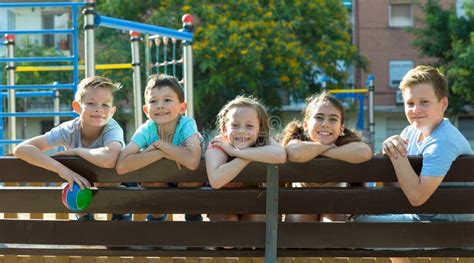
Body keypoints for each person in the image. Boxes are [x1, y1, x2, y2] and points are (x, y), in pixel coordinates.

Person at [353, 65, 473, 263]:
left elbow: (416, 196)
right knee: (360, 218)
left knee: (354, 224)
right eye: (410, 103)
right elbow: (401, 186)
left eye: (424, 102)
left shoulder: (442, 141)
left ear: (443, 104)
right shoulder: (411, 132)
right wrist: (393, 148)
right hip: (426, 219)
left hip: (449, 229)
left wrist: (396, 155)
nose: (415, 110)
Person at [14, 76, 125, 221]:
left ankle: (119, 216)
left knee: (105, 180)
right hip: (82, 186)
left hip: (112, 185)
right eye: (91, 103)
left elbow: (110, 158)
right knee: (73, 186)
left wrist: (76, 152)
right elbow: (21, 149)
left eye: (105, 105)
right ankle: (85, 220)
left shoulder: (112, 128)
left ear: (112, 111)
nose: (99, 109)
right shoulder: (68, 130)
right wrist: (63, 171)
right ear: (77, 107)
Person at [116, 74, 202, 222]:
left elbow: (193, 161)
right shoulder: (147, 129)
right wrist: (160, 153)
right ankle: (157, 218)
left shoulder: (187, 124)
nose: (160, 105)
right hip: (160, 182)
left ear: (183, 107)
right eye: (153, 101)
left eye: (167, 100)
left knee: (190, 179)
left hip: (185, 181)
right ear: (146, 110)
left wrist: (160, 145)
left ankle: (193, 215)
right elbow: (122, 165)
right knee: (151, 177)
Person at [281, 91, 372, 222]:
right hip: (302, 207)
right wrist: (326, 147)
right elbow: (294, 151)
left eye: (333, 119)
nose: (325, 124)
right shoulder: (298, 139)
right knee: (303, 214)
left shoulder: (345, 143)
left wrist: (322, 151)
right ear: (306, 125)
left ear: (341, 129)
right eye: (319, 117)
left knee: (333, 217)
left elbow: (364, 152)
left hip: (334, 206)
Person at [206, 95, 287, 222]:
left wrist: (237, 152)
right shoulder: (219, 143)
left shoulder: (263, 139)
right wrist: (248, 157)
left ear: (260, 129)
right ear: (224, 129)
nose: (242, 131)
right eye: (235, 125)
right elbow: (216, 180)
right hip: (223, 205)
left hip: (253, 204)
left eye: (249, 126)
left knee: (256, 217)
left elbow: (281, 155)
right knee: (226, 219)